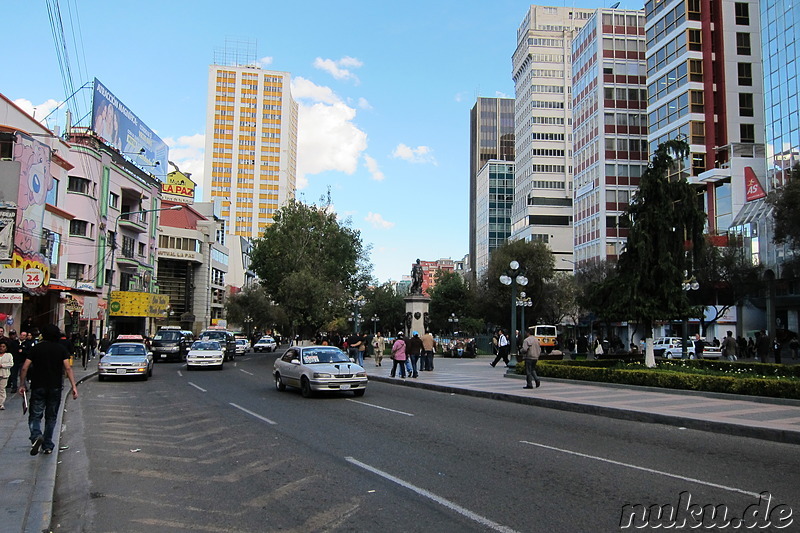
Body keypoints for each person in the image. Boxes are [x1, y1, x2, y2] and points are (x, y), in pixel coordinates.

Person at [18, 324, 79, 456]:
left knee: (35, 415)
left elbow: (25, 367)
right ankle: (48, 445)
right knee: (51, 417)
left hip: (38, 385)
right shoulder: (61, 349)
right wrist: (74, 386)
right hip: (55, 386)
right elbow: (68, 368)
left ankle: (36, 436)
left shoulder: (36, 349)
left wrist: (22, 384)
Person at [0, 341, 13, 409]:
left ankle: (1, 403)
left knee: (2, 389)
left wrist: (2, 365)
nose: (1, 348)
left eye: (3, 347)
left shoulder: (9, 355)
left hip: (4, 374)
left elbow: (11, 364)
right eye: (0, 346)